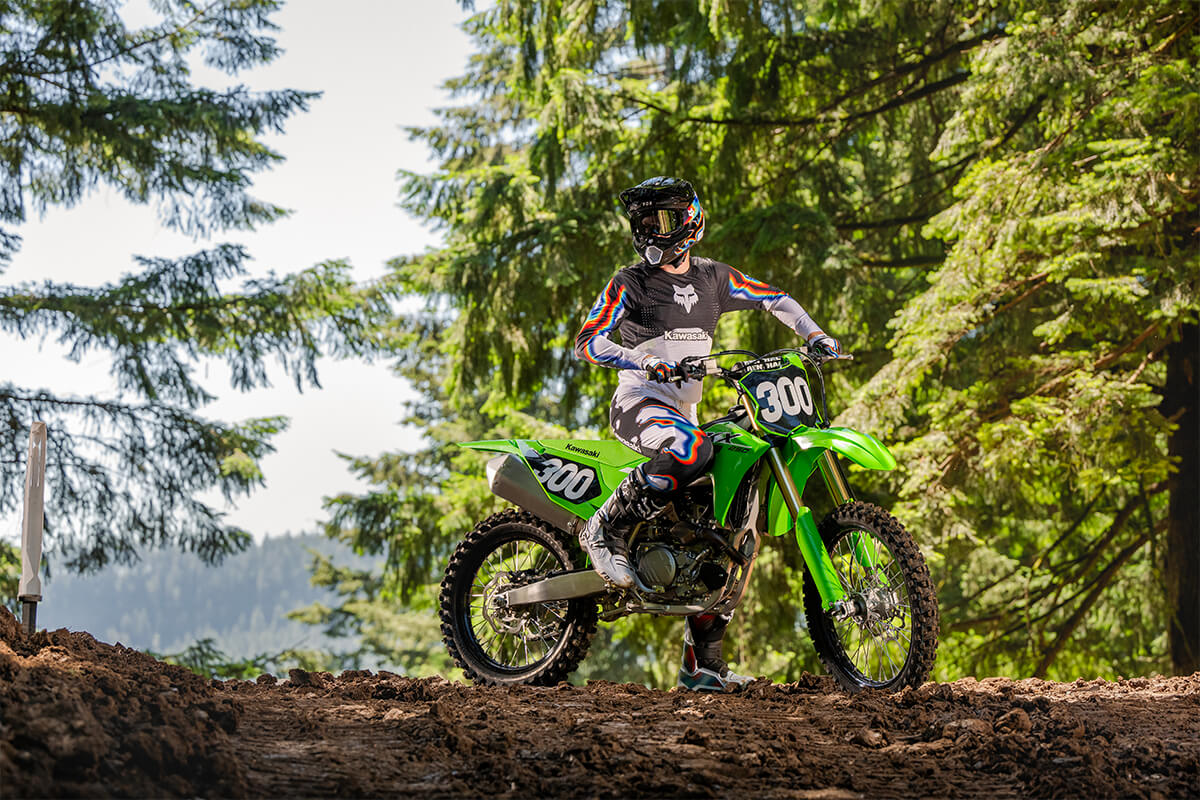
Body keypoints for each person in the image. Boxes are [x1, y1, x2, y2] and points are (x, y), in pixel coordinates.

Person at [573, 176, 845, 692]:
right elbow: (589, 341)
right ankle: (604, 528)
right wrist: (641, 359)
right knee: (692, 448)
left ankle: (704, 667)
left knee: (739, 525)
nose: (651, 231)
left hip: (684, 412)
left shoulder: (715, 279)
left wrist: (815, 336)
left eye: (661, 221)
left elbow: (775, 299)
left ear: (691, 221)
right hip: (639, 403)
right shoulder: (628, 283)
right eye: (643, 222)